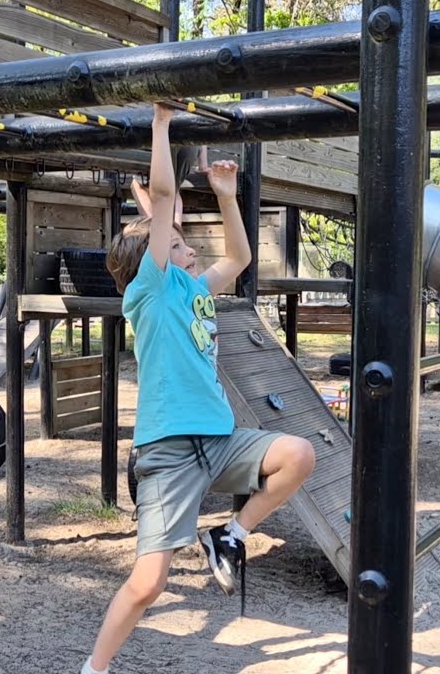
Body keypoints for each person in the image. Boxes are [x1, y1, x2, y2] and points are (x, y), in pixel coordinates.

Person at [81, 103, 316, 674]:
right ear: (155, 260)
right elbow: (162, 203)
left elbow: (239, 256)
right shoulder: (152, 292)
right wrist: (161, 127)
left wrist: (228, 194)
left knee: (297, 455)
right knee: (149, 583)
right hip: (168, 450)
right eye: (181, 245)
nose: (190, 250)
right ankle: (95, 668)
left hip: (217, 438)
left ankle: (229, 536)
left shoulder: (194, 290)